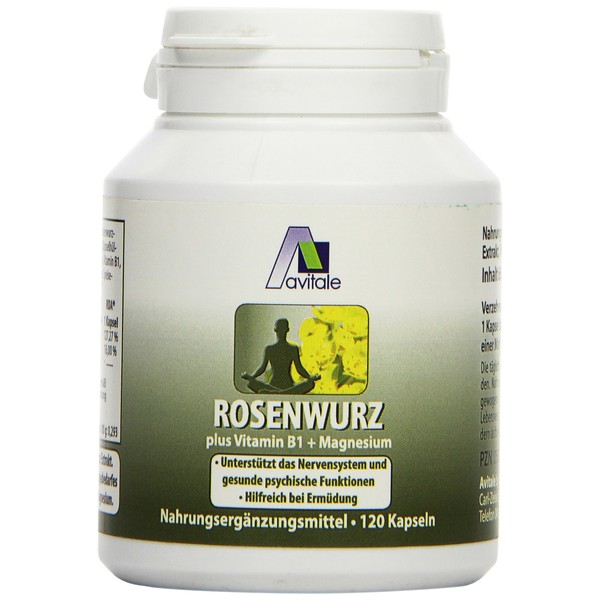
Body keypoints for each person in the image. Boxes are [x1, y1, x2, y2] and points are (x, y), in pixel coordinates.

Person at [242, 318, 320, 394]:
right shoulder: (271, 349)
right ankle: (286, 393)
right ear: (288, 329)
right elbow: (262, 368)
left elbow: (299, 368)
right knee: (251, 383)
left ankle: (276, 392)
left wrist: (310, 377)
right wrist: (251, 377)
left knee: (310, 384)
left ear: (275, 329)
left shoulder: (292, 348)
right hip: (281, 385)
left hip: (285, 385)